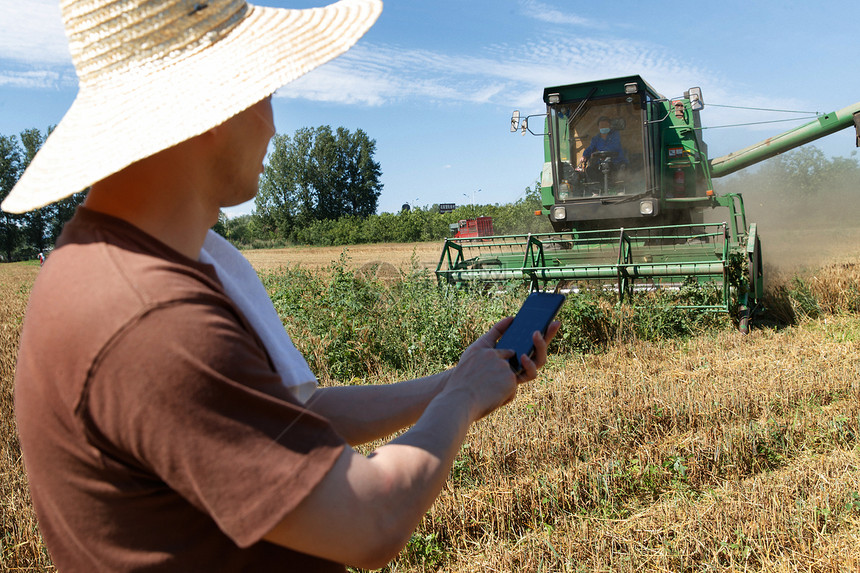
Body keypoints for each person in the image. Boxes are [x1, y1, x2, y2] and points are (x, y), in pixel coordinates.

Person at [2, 1, 560, 571]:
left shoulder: (135, 264)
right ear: (213, 106)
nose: (273, 123)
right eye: (266, 91)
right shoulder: (152, 316)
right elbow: (370, 519)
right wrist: (463, 399)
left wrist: (453, 381)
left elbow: (293, 418)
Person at [578, 116, 628, 186]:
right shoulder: (596, 139)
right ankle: (596, 191)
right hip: (601, 164)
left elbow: (615, 147)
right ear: (598, 127)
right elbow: (591, 148)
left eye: (605, 126)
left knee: (620, 171)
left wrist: (602, 153)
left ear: (609, 126)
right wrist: (584, 156)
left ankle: (619, 190)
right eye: (602, 126)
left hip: (616, 162)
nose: (603, 128)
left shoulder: (615, 135)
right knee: (590, 170)